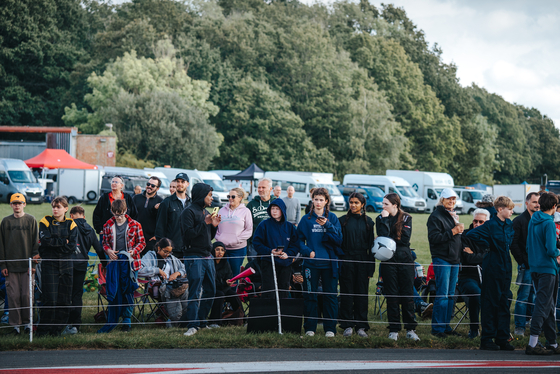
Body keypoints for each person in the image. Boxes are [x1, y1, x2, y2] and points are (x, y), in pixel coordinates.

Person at [465, 196, 515, 351]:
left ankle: (502, 337)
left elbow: (511, 239)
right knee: (490, 302)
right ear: (500, 209)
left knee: (504, 302)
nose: (512, 211)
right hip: (492, 263)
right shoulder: (490, 224)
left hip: (506, 264)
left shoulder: (509, 224)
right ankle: (487, 338)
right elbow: (471, 234)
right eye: (509, 209)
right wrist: (488, 244)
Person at [297, 187, 342, 337]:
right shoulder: (306, 219)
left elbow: (339, 240)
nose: (318, 202)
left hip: (330, 264)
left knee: (330, 296)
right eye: (315, 199)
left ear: (326, 201)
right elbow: (298, 240)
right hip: (311, 264)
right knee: (310, 295)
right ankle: (310, 327)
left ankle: (330, 329)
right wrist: (307, 251)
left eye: (321, 199)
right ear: (312, 200)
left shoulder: (333, 218)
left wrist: (327, 225)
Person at [376, 193, 419, 341]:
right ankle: (394, 329)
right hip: (388, 260)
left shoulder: (407, 218)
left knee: (407, 294)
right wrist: (386, 219)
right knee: (392, 295)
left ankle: (410, 329)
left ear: (395, 205)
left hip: (404, 260)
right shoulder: (381, 218)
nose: (383, 207)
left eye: (386, 204)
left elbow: (404, 239)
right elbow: (382, 237)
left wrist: (389, 238)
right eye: (383, 204)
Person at [99, 199, 145, 333]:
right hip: (115, 263)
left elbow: (142, 243)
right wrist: (108, 250)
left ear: (126, 211)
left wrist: (133, 251)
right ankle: (114, 315)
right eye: (116, 214)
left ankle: (127, 319)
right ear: (112, 212)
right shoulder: (107, 225)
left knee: (128, 290)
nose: (118, 217)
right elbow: (105, 243)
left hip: (131, 264)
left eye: (121, 214)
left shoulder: (135, 225)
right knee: (115, 289)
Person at [181, 183, 220, 337]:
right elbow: (189, 235)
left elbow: (207, 237)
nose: (211, 198)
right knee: (195, 291)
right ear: (201, 195)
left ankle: (202, 322)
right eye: (209, 195)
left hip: (207, 256)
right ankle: (192, 325)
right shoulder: (188, 212)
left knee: (211, 290)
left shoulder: (205, 212)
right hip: (193, 256)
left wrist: (214, 226)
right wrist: (205, 223)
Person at [37, 196, 78, 337]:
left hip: (66, 264)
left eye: (58, 207)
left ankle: (57, 330)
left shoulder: (72, 224)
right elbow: (45, 242)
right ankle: (42, 331)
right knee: (50, 299)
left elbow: (72, 246)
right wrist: (63, 241)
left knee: (64, 299)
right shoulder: (45, 221)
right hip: (50, 264)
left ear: (66, 209)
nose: (55, 209)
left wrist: (56, 245)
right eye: (54, 206)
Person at [525, 192, 560, 355]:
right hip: (547, 268)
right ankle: (533, 343)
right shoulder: (549, 223)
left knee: (548, 305)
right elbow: (551, 249)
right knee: (543, 304)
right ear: (554, 206)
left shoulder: (534, 220)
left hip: (535, 267)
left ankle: (552, 342)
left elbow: (528, 244)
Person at [0, 193, 39, 335]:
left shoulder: (31, 220)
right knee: (13, 296)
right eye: (14, 203)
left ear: (24, 204)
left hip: (27, 266)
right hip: (10, 268)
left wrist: (33, 265)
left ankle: (28, 323)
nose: (17, 205)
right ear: (10, 205)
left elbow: (36, 244)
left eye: (20, 203)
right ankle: (15, 325)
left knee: (27, 296)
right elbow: (1, 245)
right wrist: (3, 265)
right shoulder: (5, 222)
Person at [427, 188, 463, 339]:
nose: (451, 201)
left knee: (450, 294)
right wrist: (453, 231)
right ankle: (437, 328)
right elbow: (434, 238)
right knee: (442, 294)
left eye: (454, 199)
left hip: (454, 259)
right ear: (442, 200)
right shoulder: (435, 216)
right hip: (442, 258)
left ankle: (446, 325)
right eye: (449, 199)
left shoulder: (452, 215)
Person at [338, 193, 375, 338]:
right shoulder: (342, 221)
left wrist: (370, 268)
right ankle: (347, 325)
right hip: (347, 259)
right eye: (351, 202)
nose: (353, 205)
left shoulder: (369, 222)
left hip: (362, 260)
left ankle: (361, 326)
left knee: (361, 293)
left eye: (356, 203)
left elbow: (372, 247)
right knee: (347, 292)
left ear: (362, 204)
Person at [253, 198, 299, 299]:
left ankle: (282, 313)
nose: (274, 211)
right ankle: (270, 313)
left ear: (282, 210)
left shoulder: (290, 227)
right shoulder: (264, 225)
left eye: (277, 209)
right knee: (269, 290)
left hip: (285, 263)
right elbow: (256, 243)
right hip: (268, 262)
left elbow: (295, 244)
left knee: (284, 289)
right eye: (272, 208)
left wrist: (288, 254)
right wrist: (269, 251)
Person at [66, 206, 102, 334]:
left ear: (71, 215)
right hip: (81, 265)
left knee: (65, 294)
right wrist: (104, 263)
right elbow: (98, 248)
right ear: (84, 216)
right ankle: (76, 325)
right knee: (77, 295)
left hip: (67, 265)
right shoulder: (90, 230)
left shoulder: (68, 226)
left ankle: (65, 323)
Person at [138, 238, 188, 323]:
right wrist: (157, 270)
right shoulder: (150, 256)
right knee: (172, 292)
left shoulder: (172, 258)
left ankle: (185, 317)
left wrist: (177, 273)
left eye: (169, 252)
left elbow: (184, 268)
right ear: (159, 248)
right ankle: (176, 319)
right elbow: (139, 270)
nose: (167, 254)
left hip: (173, 285)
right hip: (157, 288)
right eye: (165, 251)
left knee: (185, 290)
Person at [458, 208, 490, 339]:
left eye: (481, 222)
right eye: (475, 221)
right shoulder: (465, 235)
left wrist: (475, 255)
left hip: (488, 275)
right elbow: (467, 259)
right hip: (468, 276)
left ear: (487, 223)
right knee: (476, 293)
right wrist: (484, 256)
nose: (477, 224)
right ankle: (474, 328)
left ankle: (494, 329)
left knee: (504, 294)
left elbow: (492, 256)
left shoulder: (491, 236)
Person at [510, 192, 540, 336]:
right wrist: (523, 261)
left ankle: (530, 322)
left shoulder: (541, 219)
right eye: (534, 202)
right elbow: (513, 243)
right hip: (526, 265)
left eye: (539, 202)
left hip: (539, 265)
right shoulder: (519, 221)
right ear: (527, 203)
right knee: (523, 297)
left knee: (534, 296)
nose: (537, 204)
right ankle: (519, 327)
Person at [215, 188, 253, 277]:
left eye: (233, 196)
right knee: (220, 273)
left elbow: (248, 230)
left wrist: (235, 240)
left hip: (238, 250)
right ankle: (222, 291)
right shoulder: (221, 210)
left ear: (240, 198)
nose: (230, 198)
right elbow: (216, 227)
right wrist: (220, 239)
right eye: (229, 196)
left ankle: (233, 291)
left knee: (235, 274)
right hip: (222, 249)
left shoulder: (246, 211)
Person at [155, 173, 190, 258]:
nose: (180, 184)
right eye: (178, 181)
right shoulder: (166, 202)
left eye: (182, 182)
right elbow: (160, 226)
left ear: (187, 184)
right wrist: (162, 248)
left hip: (188, 250)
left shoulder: (191, 203)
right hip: (172, 250)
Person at [208, 242, 242, 328]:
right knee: (220, 295)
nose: (220, 252)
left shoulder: (226, 264)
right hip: (211, 289)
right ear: (212, 250)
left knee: (233, 295)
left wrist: (229, 282)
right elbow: (211, 282)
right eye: (217, 250)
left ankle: (242, 318)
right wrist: (225, 284)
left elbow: (230, 277)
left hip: (224, 288)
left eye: (222, 250)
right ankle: (214, 322)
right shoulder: (209, 263)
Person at [133, 177, 164, 256]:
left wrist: (157, 236)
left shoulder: (160, 201)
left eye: (153, 185)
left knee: (148, 264)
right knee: (134, 263)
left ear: (157, 188)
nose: (149, 186)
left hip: (150, 239)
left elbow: (162, 221)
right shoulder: (136, 198)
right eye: (148, 184)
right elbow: (129, 215)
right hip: (135, 236)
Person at [246, 178, 276, 261]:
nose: (260, 190)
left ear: (270, 189)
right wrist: (248, 244)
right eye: (259, 187)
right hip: (255, 244)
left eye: (263, 187)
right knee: (254, 270)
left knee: (271, 269)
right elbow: (246, 225)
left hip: (272, 243)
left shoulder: (277, 203)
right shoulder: (251, 204)